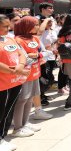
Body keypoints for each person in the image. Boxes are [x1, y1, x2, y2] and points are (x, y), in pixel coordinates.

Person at [0, 14, 30, 150]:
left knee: (8, 111)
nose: (8, 28)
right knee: (1, 111)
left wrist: (21, 65)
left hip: (14, 81)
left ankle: (2, 137)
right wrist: (15, 71)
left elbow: (21, 54)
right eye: (5, 26)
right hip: (2, 83)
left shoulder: (9, 38)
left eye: (8, 25)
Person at [13, 16, 43, 137]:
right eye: (34, 25)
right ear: (26, 26)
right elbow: (20, 56)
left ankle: (25, 123)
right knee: (22, 100)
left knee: (30, 98)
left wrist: (36, 55)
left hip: (35, 71)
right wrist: (32, 55)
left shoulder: (34, 38)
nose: (37, 27)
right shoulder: (18, 40)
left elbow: (39, 52)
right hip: (24, 74)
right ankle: (17, 127)